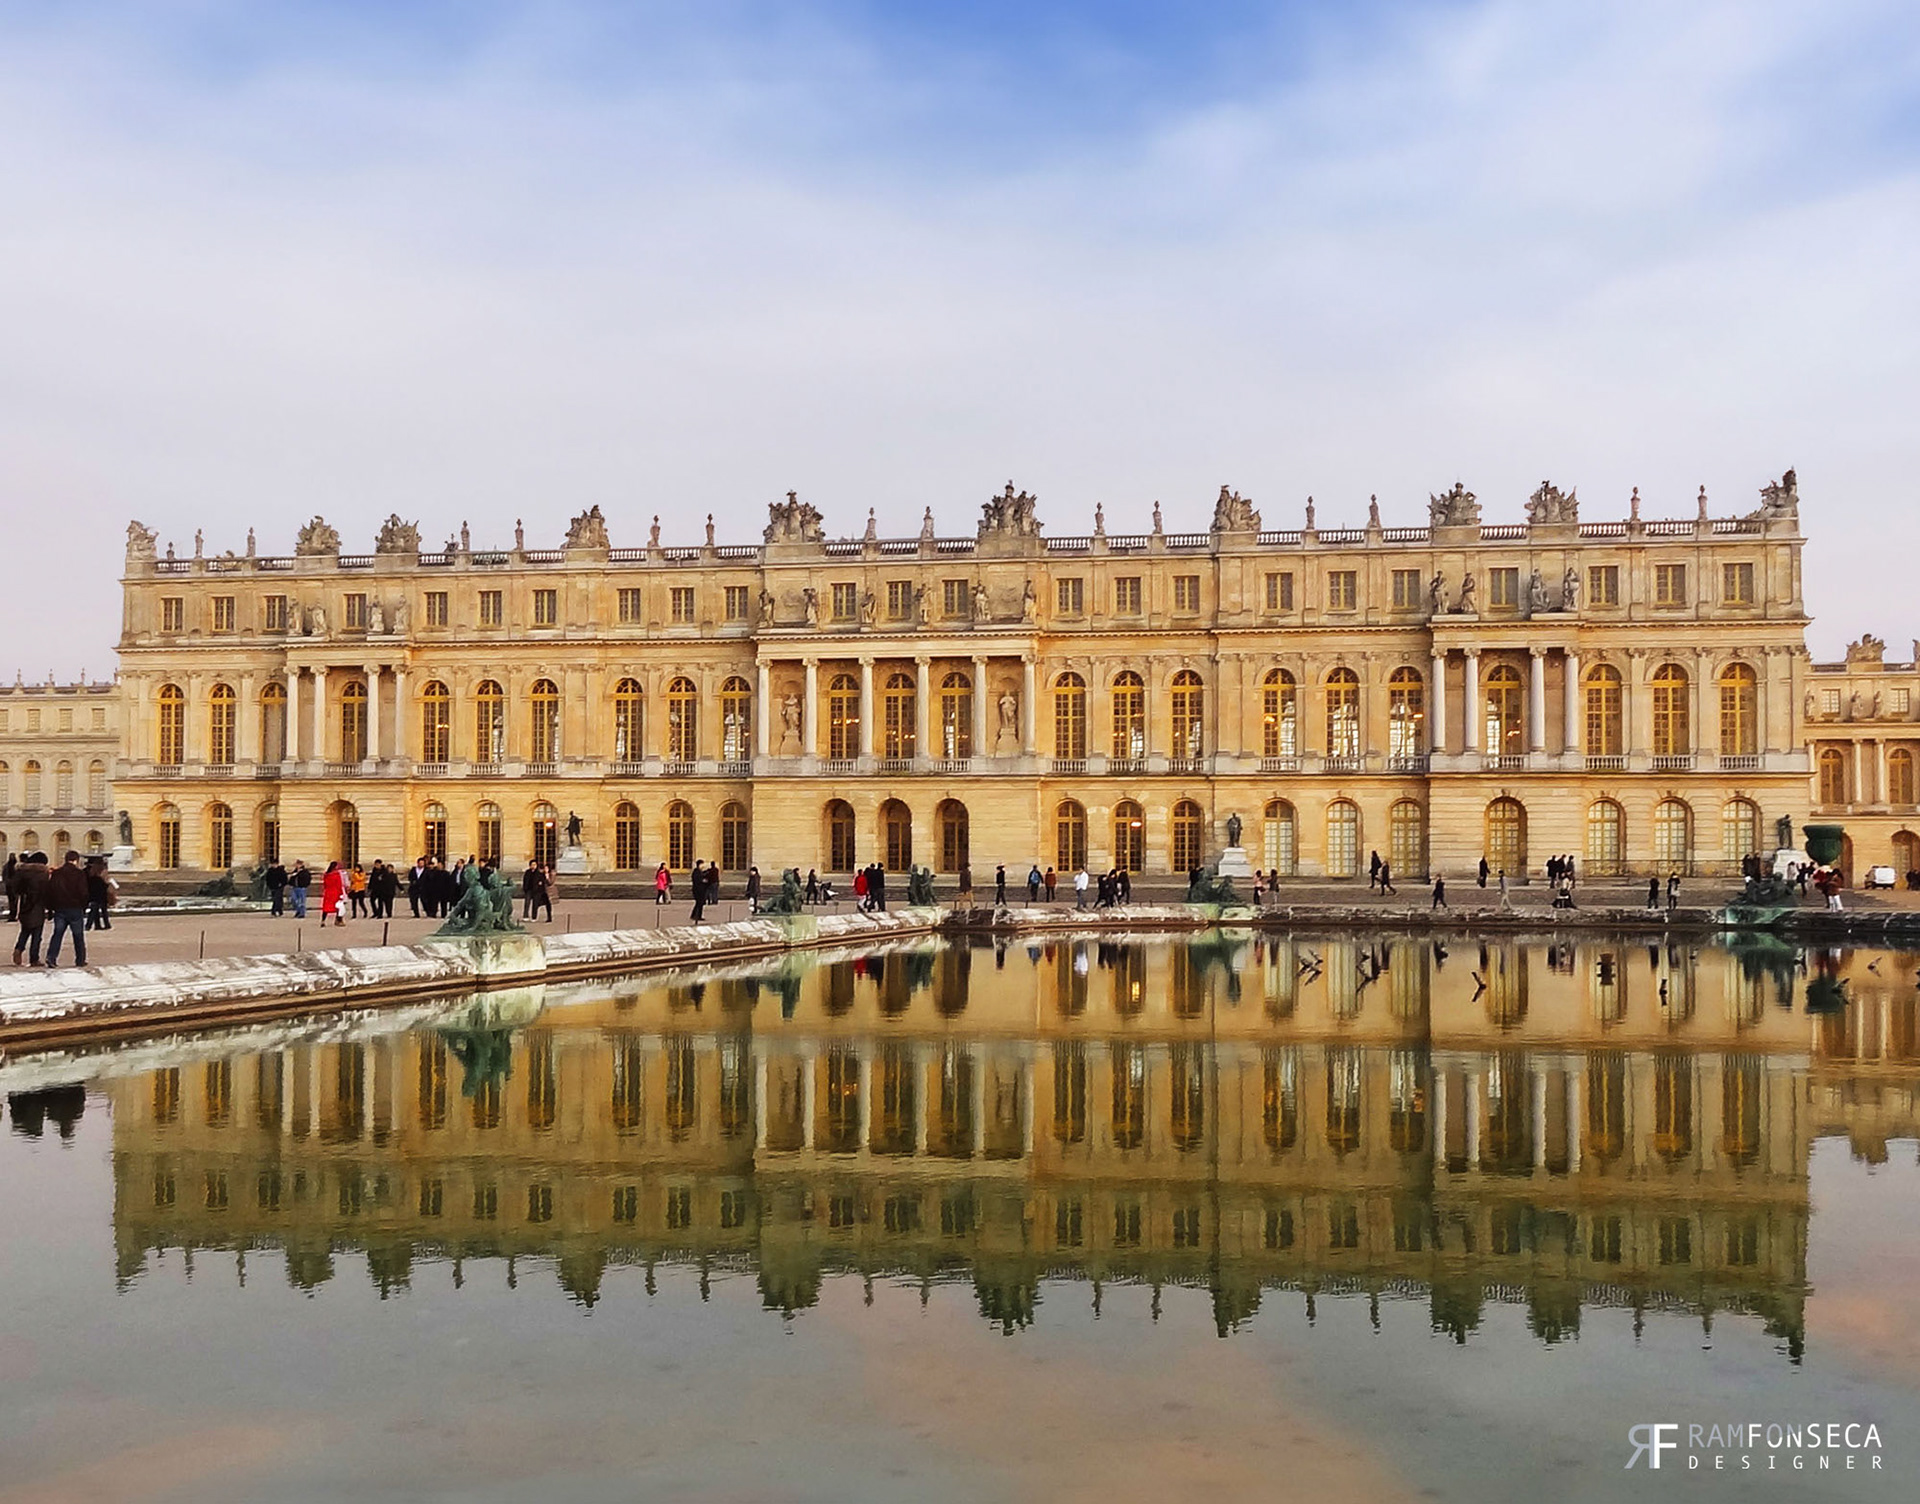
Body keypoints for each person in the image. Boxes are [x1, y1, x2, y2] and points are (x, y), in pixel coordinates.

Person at [44, 851, 90, 967]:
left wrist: (51, 907)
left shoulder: (57, 873)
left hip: (60, 908)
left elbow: (50, 890)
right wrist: (83, 906)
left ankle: (51, 957)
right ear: (76, 860)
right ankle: (80, 959)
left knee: (57, 934)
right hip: (75, 907)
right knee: (78, 935)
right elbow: (83, 892)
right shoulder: (79, 874)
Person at [12, 852, 50, 966]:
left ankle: (19, 948)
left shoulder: (21, 872)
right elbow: (46, 890)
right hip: (38, 905)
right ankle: (34, 958)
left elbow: (15, 888)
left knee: (25, 930)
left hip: (25, 904)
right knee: (37, 934)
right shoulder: (43, 873)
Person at [85, 856, 116, 932]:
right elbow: (102, 883)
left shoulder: (88, 871)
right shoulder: (99, 872)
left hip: (94, 892)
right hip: (99, 892)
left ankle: (98, 925)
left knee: (96, 909)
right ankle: (92, 925)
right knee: (99, 909)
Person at [321, 861, 346, 927]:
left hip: (328, 892)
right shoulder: (336, 874)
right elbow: (339, 884)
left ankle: (323, 921)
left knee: (326, 908)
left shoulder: (326, 874)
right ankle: (338, 920)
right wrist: (341, 894)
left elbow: (325, 884)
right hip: (336, 892)